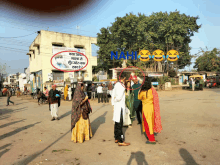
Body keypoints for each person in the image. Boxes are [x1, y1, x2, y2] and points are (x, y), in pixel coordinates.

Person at [138, 77, 162, 144]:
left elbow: (139, 97)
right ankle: (152, 138)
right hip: (152, 109)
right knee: (151, 123)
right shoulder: (152, 90)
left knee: (147, 124)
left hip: (146, 109)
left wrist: (140, 90)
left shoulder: (142, 92)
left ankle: (151, 139)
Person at [112, 76, 130, 146]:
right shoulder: (122, 86)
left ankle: (116, 137)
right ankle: (120, 140)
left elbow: (113, 95)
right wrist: (116, 100)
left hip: (117, 106)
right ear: (123, 78)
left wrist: (113, 103)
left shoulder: (116, 84)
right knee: (119, 124)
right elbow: (118, 97)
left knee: (116, 123)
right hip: (120, 107)